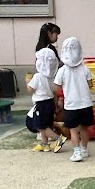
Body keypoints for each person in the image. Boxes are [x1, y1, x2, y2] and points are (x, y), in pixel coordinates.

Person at [53, 36, 93, 162]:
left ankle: (77, 153)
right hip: (86, 104)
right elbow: (90, 84)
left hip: (71, 105)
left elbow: (56, 87)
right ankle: (84, 150)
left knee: (74, 131)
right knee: (84, 128)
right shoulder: (85, 68)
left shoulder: (62, 70)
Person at [29, 23, 65, 153]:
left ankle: (55, 138)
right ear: (49, 33)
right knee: (45, 121)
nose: (56, 37)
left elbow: (30, 89)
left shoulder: (38, 75)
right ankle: (44, 142)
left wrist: (29, 83)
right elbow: (57, 64)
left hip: (42, 98)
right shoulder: (50, 50)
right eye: (55, 34)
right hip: (49, 92)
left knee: (41, 123)